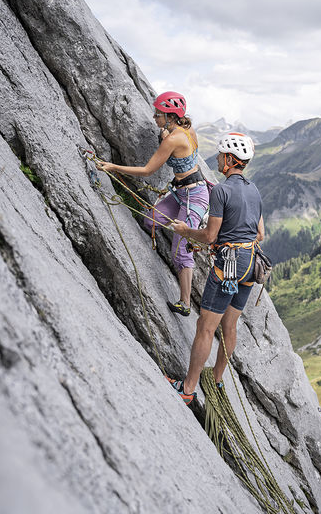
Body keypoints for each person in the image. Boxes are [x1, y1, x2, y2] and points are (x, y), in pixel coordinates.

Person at [168, 132, 265, 404]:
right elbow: (260, 234)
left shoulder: (222, 190)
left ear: (229, 160)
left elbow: (210, 235)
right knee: (230, 326)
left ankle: (187, 389)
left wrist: (187, 231)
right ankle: (217, 379)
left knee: (206, 327)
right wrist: (229, 240)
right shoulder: (254, 189)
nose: (219, 159)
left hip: (228, 267)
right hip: (250, 265)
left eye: (222, 155)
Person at [97, 91, 208, 316]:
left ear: (169, 115)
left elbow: (147, 170)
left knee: (181, 250)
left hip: (194, 197)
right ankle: (168, 259)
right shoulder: (185, 129)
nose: (154, 117)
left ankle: (185, 304)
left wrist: (112, 167)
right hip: (182, 193)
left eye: (158, 114)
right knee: (150, 220)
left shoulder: (173, 138)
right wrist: (165, 131)